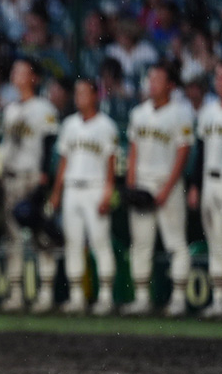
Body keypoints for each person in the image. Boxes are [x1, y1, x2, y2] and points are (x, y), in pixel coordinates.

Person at [123, 62, 193, 317]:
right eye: (150, 78)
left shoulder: (180, 112)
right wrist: (131, 183)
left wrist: (167, 189)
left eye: (158, 79)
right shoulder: (138, 112)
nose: (151, 83)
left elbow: (183, 153)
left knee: (175, 243)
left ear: (171, 85)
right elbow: (133, 149)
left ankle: (178, 298)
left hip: (167, 183)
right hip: (143, 182)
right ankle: (142, 298)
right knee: (141, 244)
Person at [49, 79, 118, 316]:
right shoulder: (69, 124)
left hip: (95, 187)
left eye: (84, 93)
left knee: (100, 242)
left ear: (95, 96)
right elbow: (63, 161)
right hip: (72, 187)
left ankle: (106, 296)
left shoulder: (106, 126)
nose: (79, 97)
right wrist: (57, 192)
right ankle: (77, 296)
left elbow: (112, 162)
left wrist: (108, 191)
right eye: (76, 93)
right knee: (73, 243)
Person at [0, 57, 59, 313]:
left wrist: (45, 176)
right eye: (15, 70)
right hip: (11, 177)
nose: (17, 74)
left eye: (22, 71)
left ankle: (46, 293)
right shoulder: (11, 109)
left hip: (32, 177)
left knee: (40, 236)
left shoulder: (44, 108)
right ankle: (16, 293)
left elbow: (49, 144)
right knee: (13, 238)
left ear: (34, 76)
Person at [189, 62, 222, 318]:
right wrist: (195, 186)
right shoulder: (208, 111)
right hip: (210, 181)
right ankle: (219, 299)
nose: (220, 82)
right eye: (218, 77)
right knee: (214, 243)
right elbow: (199, 153)